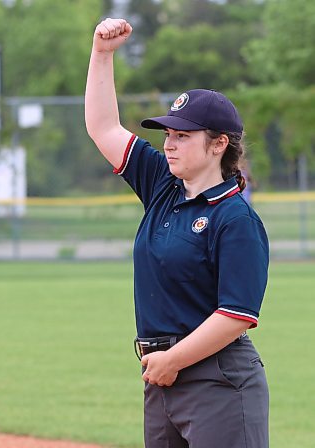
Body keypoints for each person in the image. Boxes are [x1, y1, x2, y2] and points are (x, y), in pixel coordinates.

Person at [85, 18, 269, 448]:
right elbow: (103, 127)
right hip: (161, 375)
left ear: (219, 143)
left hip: (217, 380)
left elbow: (236, 314)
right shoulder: (162, 187)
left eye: (183, 135)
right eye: (168, 134)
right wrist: (102, 54)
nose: (169, 144)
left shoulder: (235, 219)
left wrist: (173, 360)